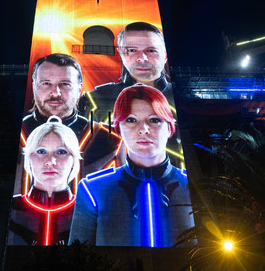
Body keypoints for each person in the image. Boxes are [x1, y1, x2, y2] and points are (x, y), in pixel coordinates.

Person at [69, 84, 194, 247]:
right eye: (131, 120)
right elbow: (77, 258)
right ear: (119, 128)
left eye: (154, 120)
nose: (143, 129)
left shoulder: (193, 186)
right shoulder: (93, 188)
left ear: (170, 127)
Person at [16, 53, 123, 195]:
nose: (55, 92)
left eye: (65, 84)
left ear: (79, 89)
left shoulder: (110, 139)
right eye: (46, 83)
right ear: (34, 86)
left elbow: (121, 199)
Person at [79, 22, 174, 124]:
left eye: (151, 50)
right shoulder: (94, 101)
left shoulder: (184, 99)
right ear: (121, 54)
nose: (142, 59)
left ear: (165, 55)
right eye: (132, 50)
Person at [8, 117, 81, 245]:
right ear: (29, 158)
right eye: (41, 151)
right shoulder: (11, 208)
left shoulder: (87, 211)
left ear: (74, 161)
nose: (50, 162)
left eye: (61, 152)